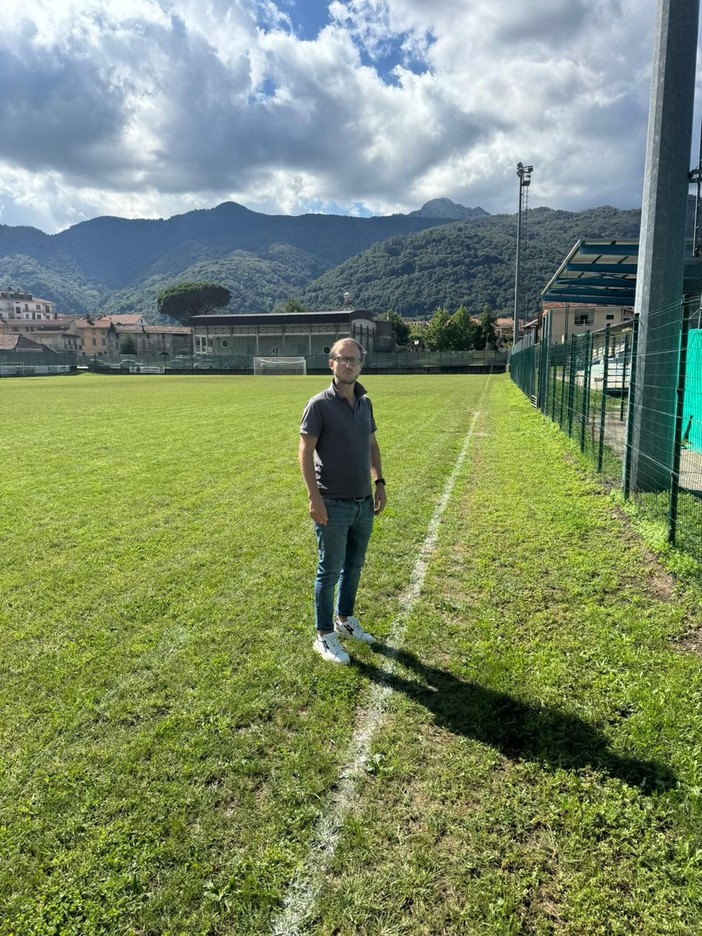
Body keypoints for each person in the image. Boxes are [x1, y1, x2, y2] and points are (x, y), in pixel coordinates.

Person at [299, 338, 387, 664]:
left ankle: (345, 620)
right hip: (332, 504)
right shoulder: (319, 405)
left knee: (354, 566)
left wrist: (379, 482)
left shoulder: (365, 403)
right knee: (329, 571)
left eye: (355, 360)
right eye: (343, 359)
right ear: (331, 364)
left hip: (363, 502)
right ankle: (324, 636)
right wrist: (314, 498)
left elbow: (372, 445)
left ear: (361, 365)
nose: (349, 364)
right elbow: (305, 453)